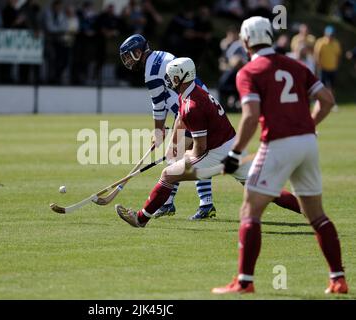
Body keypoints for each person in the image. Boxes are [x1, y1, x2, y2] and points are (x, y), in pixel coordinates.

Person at [212, 16, 347, 294]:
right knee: (317, 215)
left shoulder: (248, 71)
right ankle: (338, 279)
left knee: (250, 210)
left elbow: (250, 118)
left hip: (278, 145)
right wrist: (308, 126)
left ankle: (244, 282)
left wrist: (235, 154)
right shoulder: (297, 66)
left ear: (246, 40)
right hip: (308, 144)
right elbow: (327, 101)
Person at [115, 57, 302, 228]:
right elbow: (180, 118)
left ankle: (140, 219)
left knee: (167, 175)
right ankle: (310, 211)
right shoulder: (190, 91)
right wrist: (174, 148)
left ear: (181, 76)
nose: (168, 80)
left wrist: (185, 155)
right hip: (232, 146)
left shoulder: (193, 106)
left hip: (216, 152)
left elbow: (200, 149)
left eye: (171, 76)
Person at [119, 34, 218, 220]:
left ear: (138, 52)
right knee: (184, 158)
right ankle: (193, 204)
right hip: (197, 108)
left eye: (127, 56)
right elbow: (167, 97)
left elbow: (158, 104)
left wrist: (158, 131)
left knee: (179, 158)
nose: (126, 61)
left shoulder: (150, 72)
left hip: (194, 111)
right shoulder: (161, 56)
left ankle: (182, 204)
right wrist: (163, 128)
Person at [314, 26, 341, 95]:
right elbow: (317, 55)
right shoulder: (320, 42)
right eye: (329, 35)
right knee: (321, 86)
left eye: (332, 35)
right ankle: (321, 100)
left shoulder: (336, 43)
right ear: (325, 34)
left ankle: (332, 101)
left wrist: (336, 65)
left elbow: (338, 56)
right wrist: (318, 66)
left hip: (333, 68)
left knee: (332, 86)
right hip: (322, 68)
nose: (331, 36)